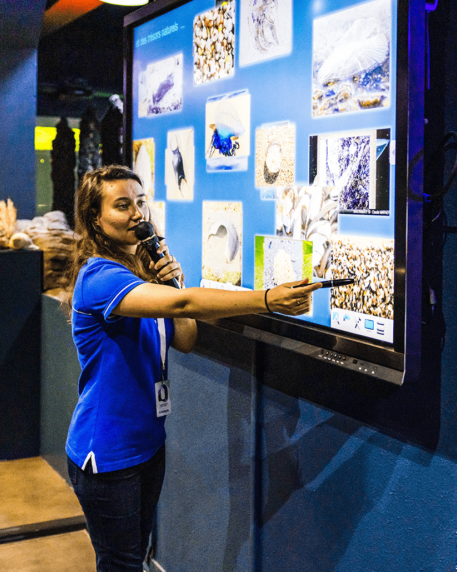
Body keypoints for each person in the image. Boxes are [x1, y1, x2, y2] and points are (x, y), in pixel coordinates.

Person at [65, 165, 320, 572]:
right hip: (108, 451)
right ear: (95, 218)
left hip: (147, 444)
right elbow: (186, 307)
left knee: (137, 555)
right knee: (120, 564)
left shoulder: (138, 276)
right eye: (122, 205)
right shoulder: (99, 277)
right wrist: (267, 299)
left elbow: (184, 339)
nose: (137, 213)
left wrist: (172, 284)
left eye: (140, 202)